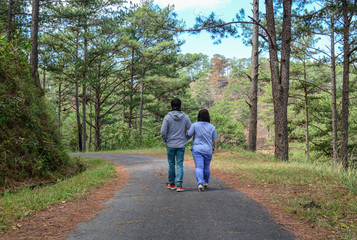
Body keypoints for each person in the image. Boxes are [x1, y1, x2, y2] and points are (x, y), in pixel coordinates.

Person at [161, 98, 192, 192]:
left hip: (170, 144)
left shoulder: (167, 117)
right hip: (181, 145)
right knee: (179, 164)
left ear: (171, 106)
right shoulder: (185, 117)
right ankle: (179, 185)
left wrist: (166, 140)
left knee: (171, 164)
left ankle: (171, 184)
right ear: (180, 105)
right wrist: (185, 139)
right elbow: (191, 131)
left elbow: (163, 131)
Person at [187, 109, 218, 192]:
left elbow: (189, 134)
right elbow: (215, 139)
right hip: (208, 150)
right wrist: (214, 148)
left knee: (199, 167)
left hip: (197, 149)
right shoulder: (212, 126)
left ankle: (200, 183)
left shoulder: (195, 125)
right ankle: (206, 182)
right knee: (207, 167)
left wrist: (187, 131)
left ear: (199, 116)